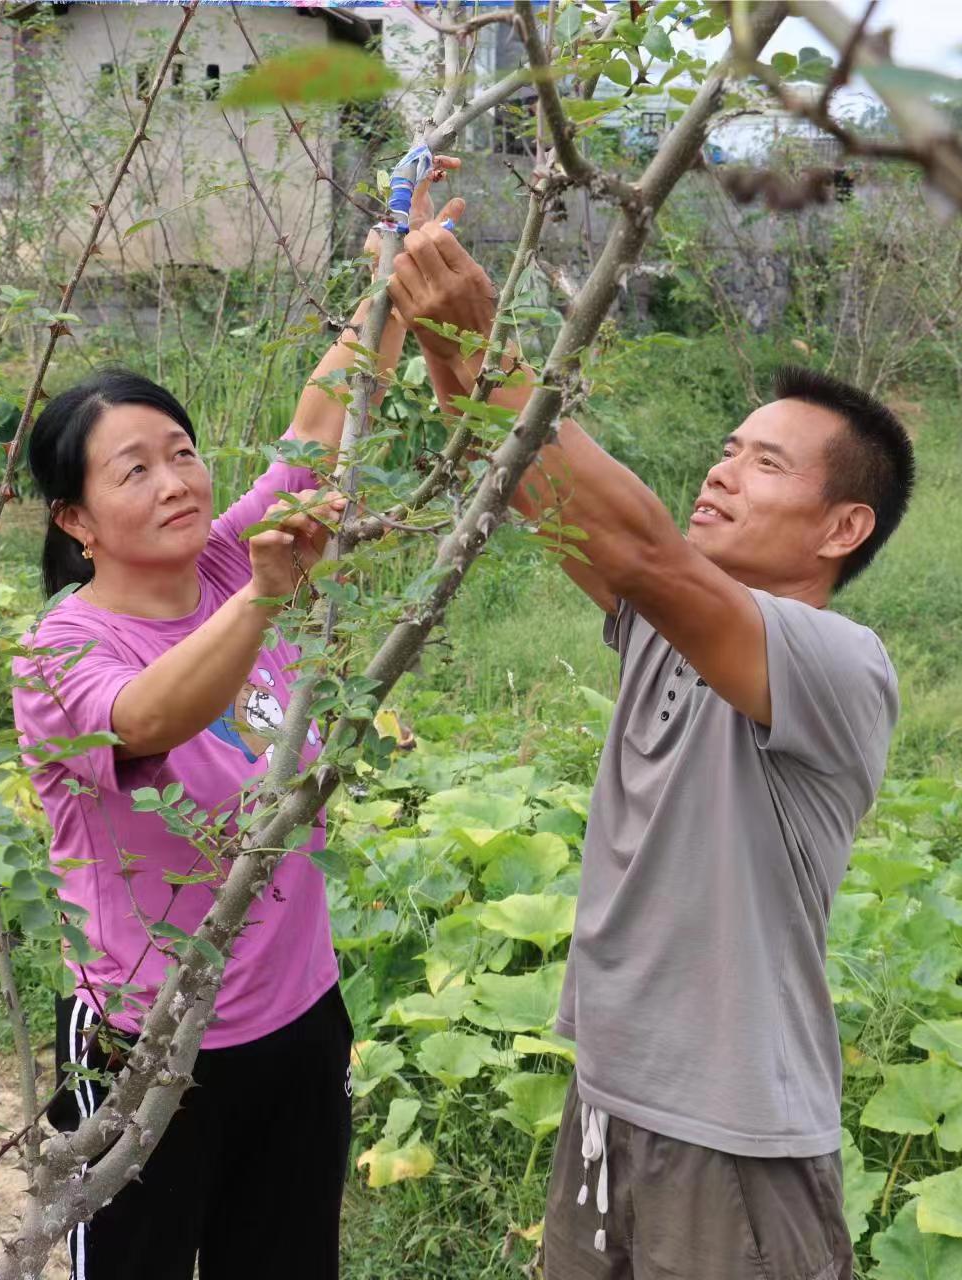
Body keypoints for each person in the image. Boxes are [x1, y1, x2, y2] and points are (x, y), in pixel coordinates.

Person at [387, 215, 914, 1280]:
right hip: (609, 1094)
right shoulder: (659, 620)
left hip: (735, 1134)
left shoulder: (835, 662)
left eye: (764, 463)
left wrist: (496, 348)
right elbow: (525, 473)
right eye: (726, 449)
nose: (722, 472)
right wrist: (427, 308)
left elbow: (637, 542)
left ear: (841, 528)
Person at [10, 184, 464, 1278]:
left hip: (301, 1018)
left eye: (182, 451)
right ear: (74, 520)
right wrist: (262, 600)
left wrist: (389, 286)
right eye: (134, 469)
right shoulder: (61, 654)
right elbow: (153, 714)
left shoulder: (221, 561)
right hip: (148, 1046)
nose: (175, 480)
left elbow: (318, 430)